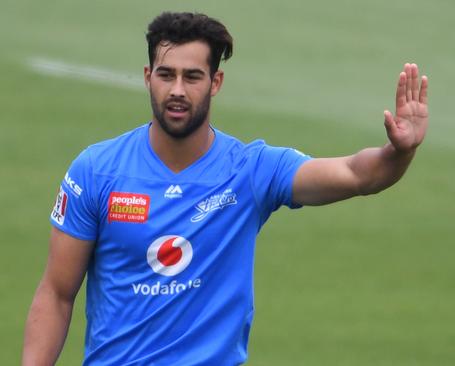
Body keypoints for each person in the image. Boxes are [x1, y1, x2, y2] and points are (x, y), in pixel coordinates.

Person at [22, 11, 428, 366]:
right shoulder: (96, 171)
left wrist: (399, 151)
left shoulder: (251, 170)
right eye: (166, 75)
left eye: (192, 76)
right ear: (148, 78)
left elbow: (359, 175)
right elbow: (57, 294)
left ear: (215, 82)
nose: (177, 90)